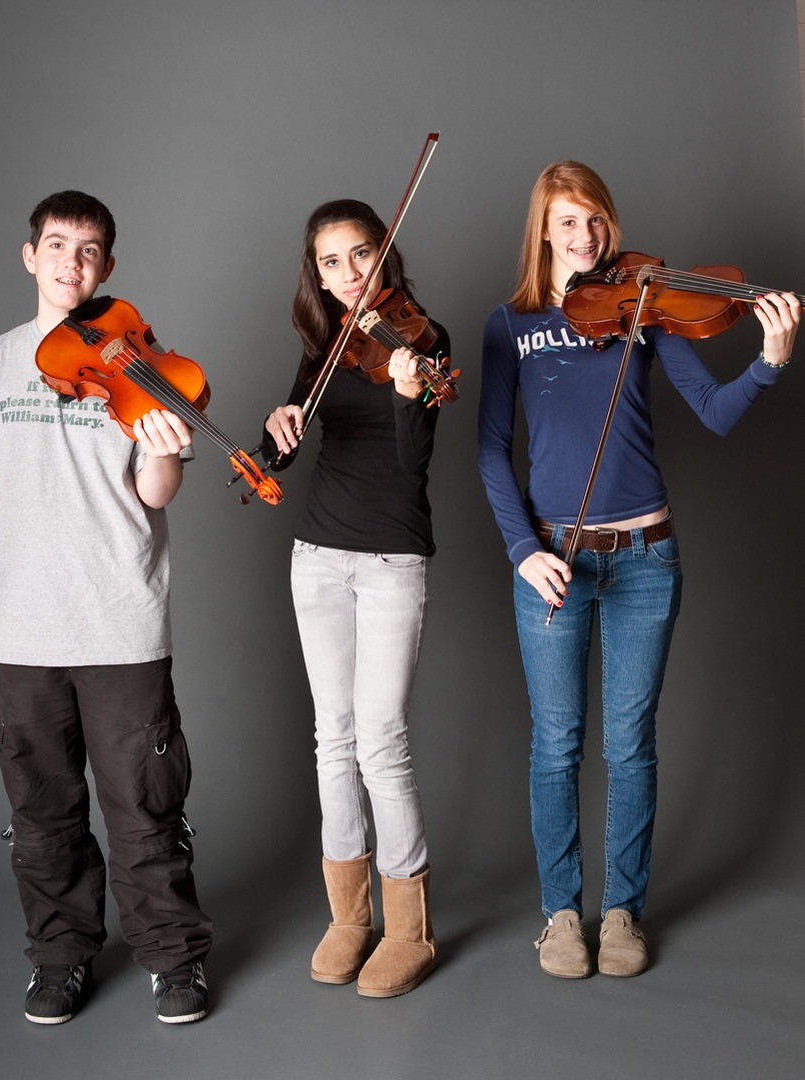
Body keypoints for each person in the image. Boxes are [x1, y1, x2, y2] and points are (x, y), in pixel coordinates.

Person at [478, 161, 799, 979]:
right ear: (542, 230)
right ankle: (561, 916)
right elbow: (490, 450)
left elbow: (718, 414)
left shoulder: (646, 312)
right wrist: (525, 553)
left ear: (608, 226)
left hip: (648, 559)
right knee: (556, 744)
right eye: (567, 222)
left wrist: (770, 356)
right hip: (555, 559)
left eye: (595, 221)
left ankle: (622, 911)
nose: (584, 237)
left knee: (630, 745)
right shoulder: (510, 324)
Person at [0, 191, 213, 1024]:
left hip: (121, 619)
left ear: (108, 267)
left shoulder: (141, 364)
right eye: (57, 247)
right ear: (31, 256)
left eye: (89, 252)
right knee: (41, 812)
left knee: (145, 810)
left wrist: (172, 448)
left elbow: (153, 491)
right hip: (25, 628)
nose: (71, 265)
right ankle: (60, 957)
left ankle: (174, 959)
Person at [264, 198, 450, 998]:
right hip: (317, 558)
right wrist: (275, 424)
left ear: (386, 255)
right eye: (330, 262)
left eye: (361, 255)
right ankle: (350, 916)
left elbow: (410, 466)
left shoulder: (422, 340)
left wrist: (410, 392)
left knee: (381, 739)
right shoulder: (324, 344)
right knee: (331, 738)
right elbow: (285, 450)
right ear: (317, 272)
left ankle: (410, 929)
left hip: (389, 563)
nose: (348, 274)